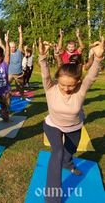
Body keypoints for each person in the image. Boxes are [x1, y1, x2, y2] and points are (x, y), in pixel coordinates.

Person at [38, 37, 103, 203]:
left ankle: (68, 163)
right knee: (57, 153)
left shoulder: (81, 90)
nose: (66, 89)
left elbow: (91, 76)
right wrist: (43, 56)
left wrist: (98, 58)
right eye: (62, 85)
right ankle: (52, 198)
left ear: (78, 83)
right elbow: (45, 73)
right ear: (57, 82)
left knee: (69, 151)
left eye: (70, 86)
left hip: (74, 127)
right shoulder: (50, 88)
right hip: (52, 125)